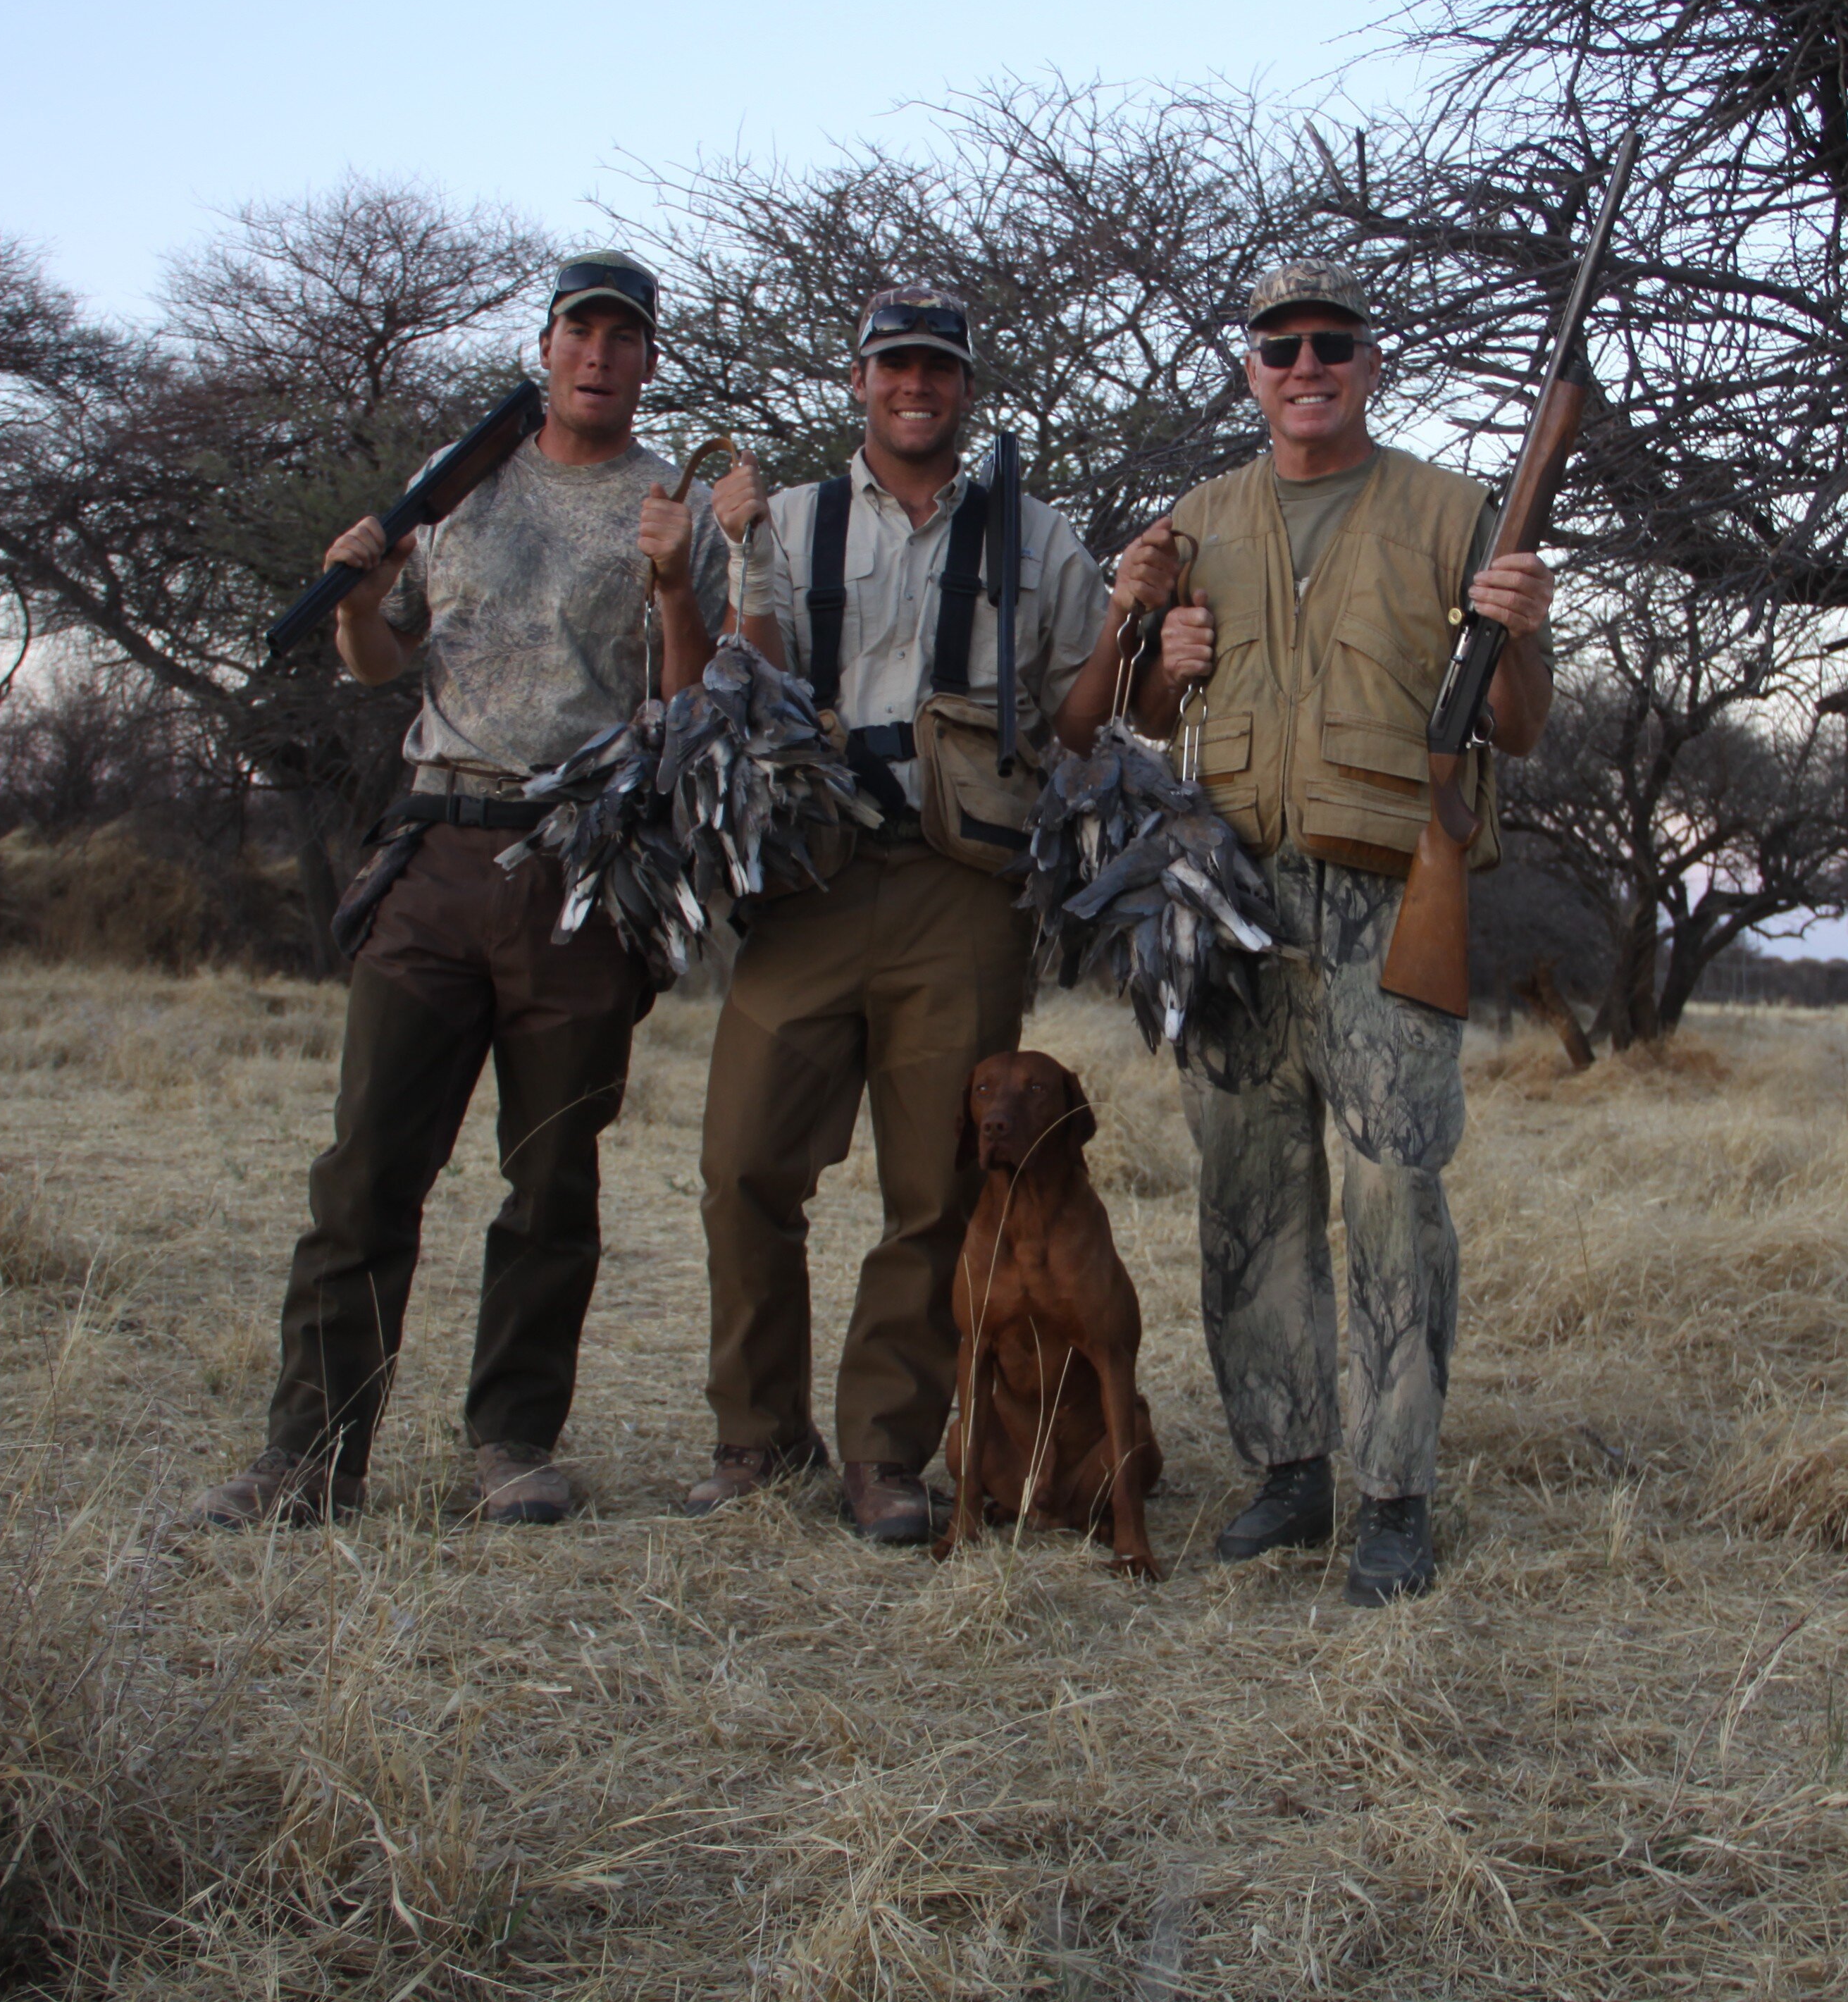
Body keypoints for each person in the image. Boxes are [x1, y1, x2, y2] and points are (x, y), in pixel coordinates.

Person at [195, 249, 726, 1529]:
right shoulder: (459, 482)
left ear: (650, 359)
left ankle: (515, 1446)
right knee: (368, 1168)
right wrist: (359, 603)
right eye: (577, 332)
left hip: (580, 862)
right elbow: (386, 662)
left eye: (623, 337)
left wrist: (667, 579)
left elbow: (692, 693)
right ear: (546, 347)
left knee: (551, 1179)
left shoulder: (677, 506)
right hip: (434, 846)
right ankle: (310, 1458)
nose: (598, 354)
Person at [678, 284, 1182, 1542]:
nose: (917, 386)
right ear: (860, 381)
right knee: (742, 1165)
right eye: (894, 365)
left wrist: (1126, 613)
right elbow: (739, 685)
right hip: (811, 889)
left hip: (963, 893)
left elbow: (1080, 723)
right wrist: (728, 554)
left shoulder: (1039, 538)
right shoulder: (782, 522)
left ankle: (890, 1455)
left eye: (939, 369)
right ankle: (757, 1438)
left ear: (966, 387)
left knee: (941, 1195)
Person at [1131, 260, 1554, 1605]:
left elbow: (1522, 725)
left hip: (1389, 900)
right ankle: (1286, 1468)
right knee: (1249, 1191)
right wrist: (1159, 656)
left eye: (1331, 345)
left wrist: (1524, 633)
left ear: (1373, 365)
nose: (1304, 366)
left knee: (1392, 1187)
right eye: (1278, 347)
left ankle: (1393, 1491)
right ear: (1249, 371)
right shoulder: (1199, 518)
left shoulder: (1451, 511)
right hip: (1237, 904)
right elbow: (1147, 715)